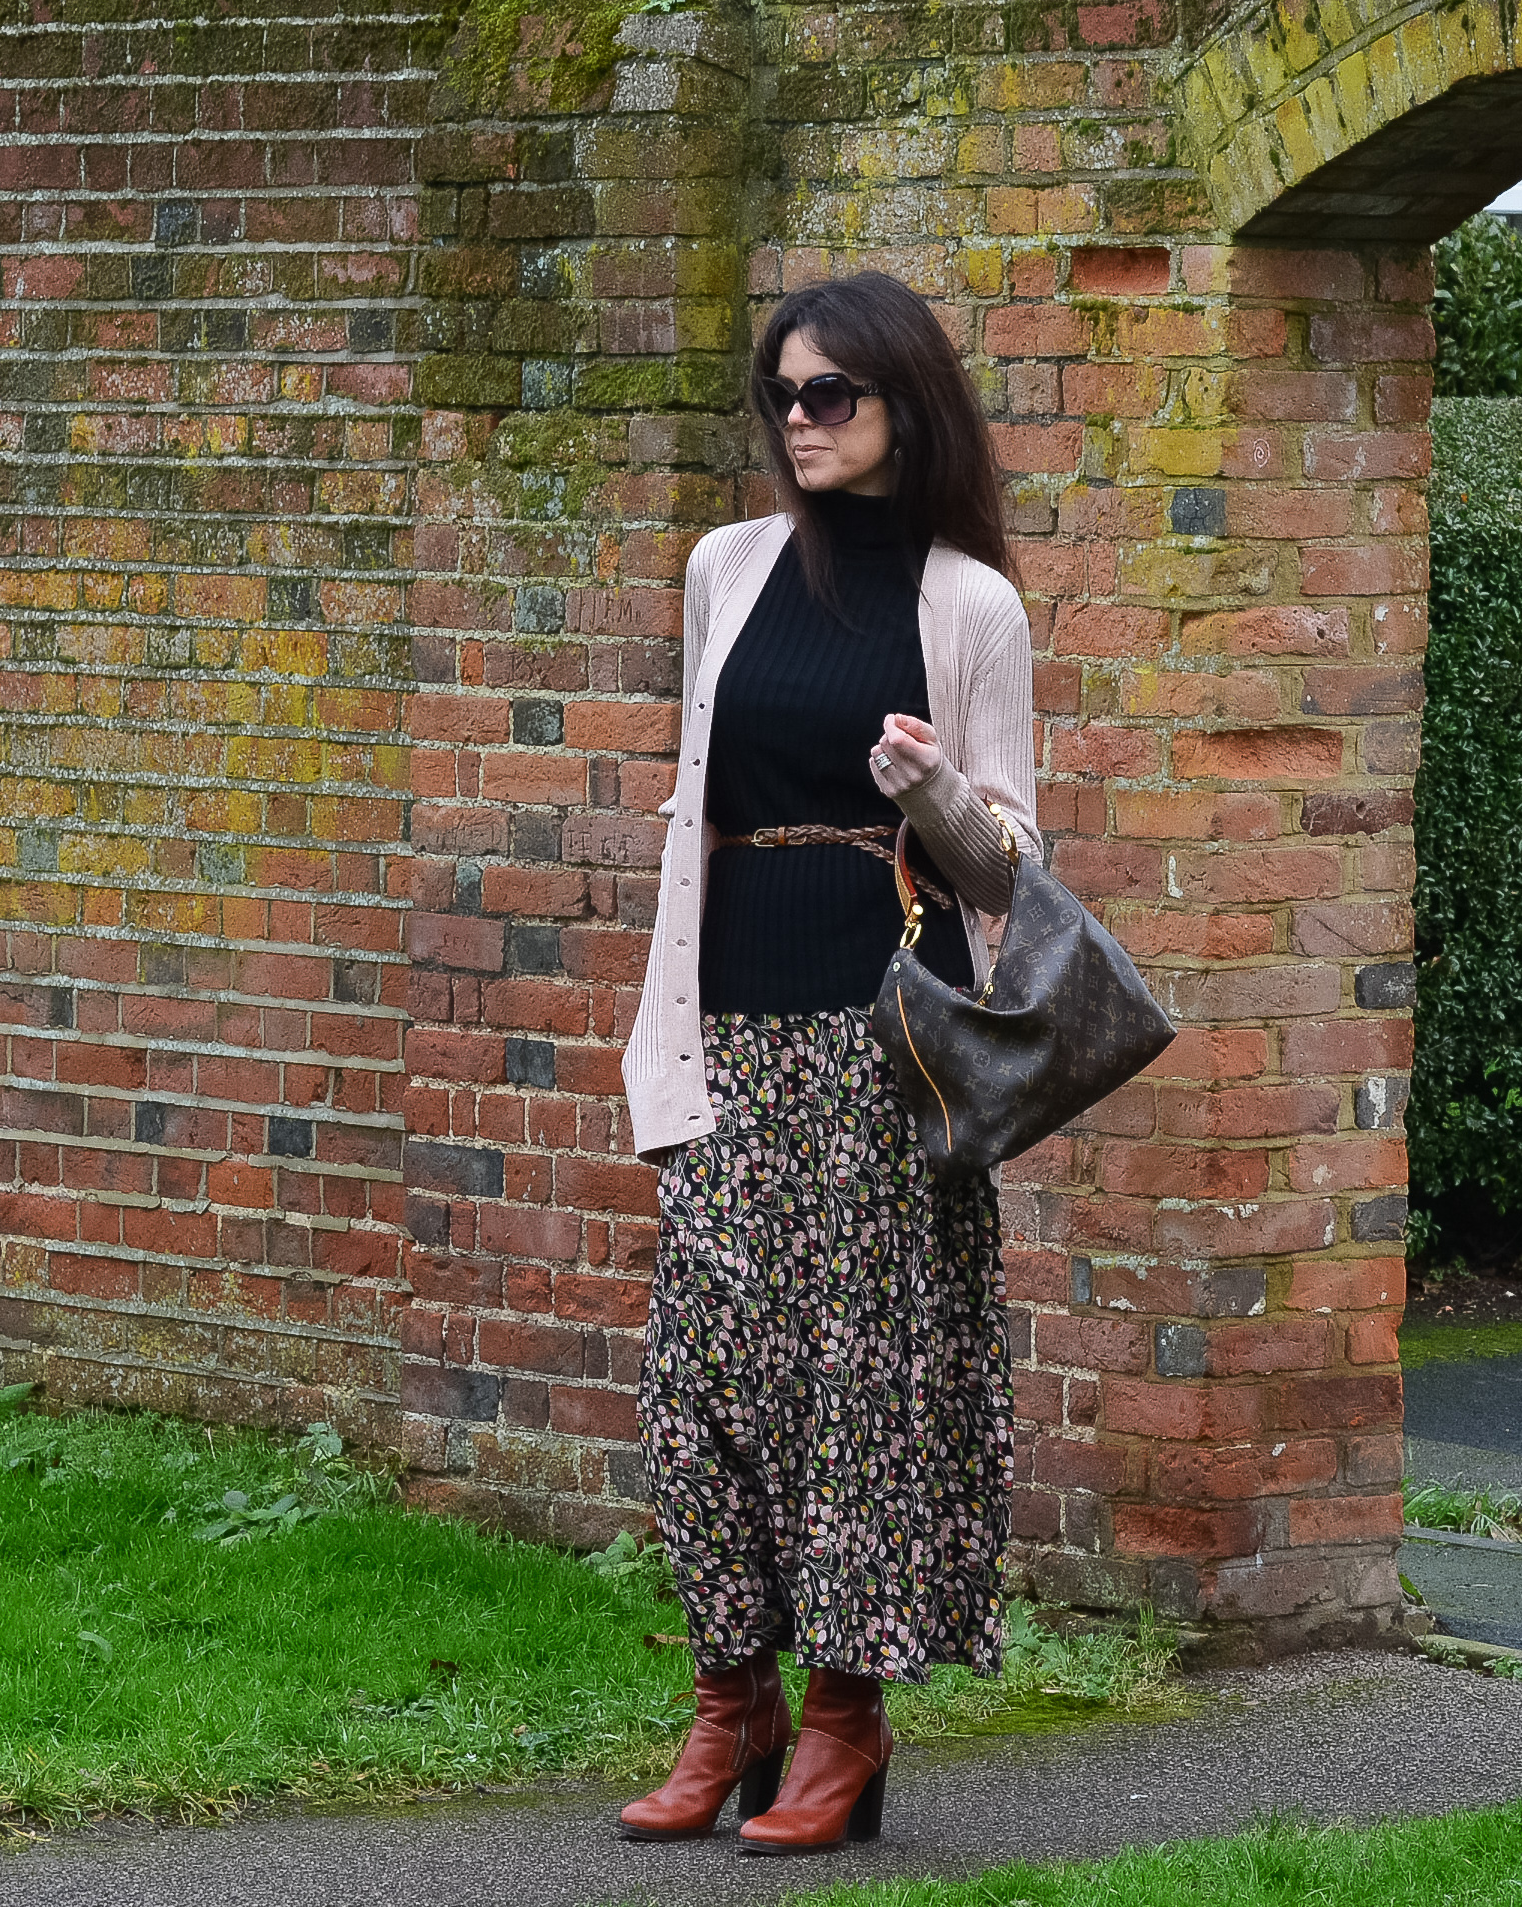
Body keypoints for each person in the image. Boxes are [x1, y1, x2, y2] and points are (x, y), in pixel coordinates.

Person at [612, 269, 1037, 1854]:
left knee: (856, 1393)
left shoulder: (966, 604)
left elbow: (1005, 871)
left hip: (882, 1048)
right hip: (727, 1030)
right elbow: (692, 809)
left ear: (901, 408)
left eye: (831, 397)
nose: (799, 422)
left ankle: (846, 1721)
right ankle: (735, 1703)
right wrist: (662, 1044)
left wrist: (929, 790)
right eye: (782, 397)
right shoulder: (723, 569)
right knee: (699, 1391)